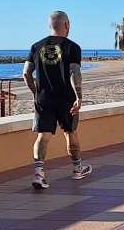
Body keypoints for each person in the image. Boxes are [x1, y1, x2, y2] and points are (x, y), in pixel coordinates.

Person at [23, 11, 91, 190]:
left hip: (44, 99)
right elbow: (75, 73)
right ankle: (77, 169)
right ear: (66, 25)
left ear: (50, 25)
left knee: (43, 136)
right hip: (66, 99)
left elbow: (26, 73)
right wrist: (79, 97)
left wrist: (35, 92)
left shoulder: (36, 46)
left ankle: (39, 175)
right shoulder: (72, 47)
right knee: (70, 132)